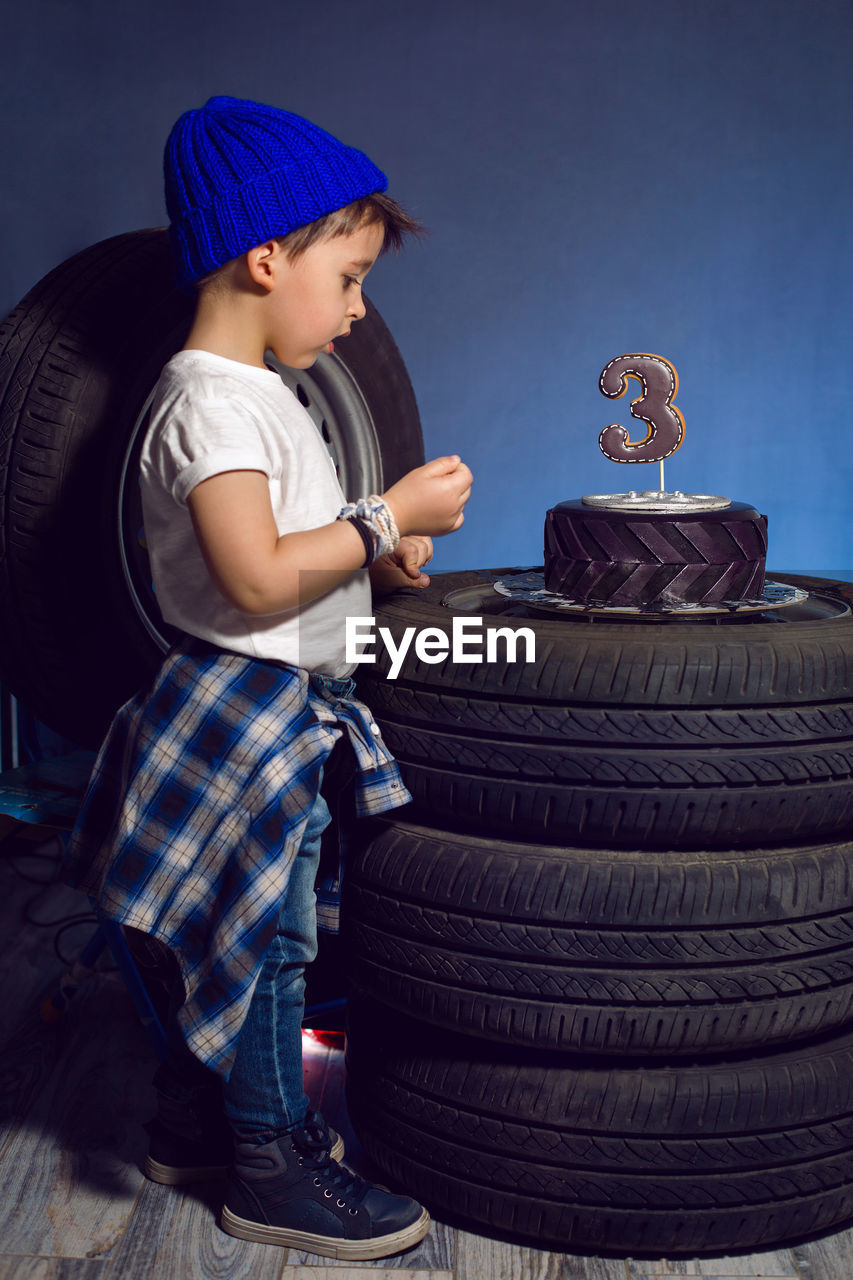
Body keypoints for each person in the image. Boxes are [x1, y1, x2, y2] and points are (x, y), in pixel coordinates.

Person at [62, 95, 472, 1260]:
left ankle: (195, 1121)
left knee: (239, 931)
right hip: (243, 708)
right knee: (265, 943)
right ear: (265, 255)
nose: (355, 311)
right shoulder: (209, 402)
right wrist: (386, 507)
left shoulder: (261, 395)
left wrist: (377, 558)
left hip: (277, 702)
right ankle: (269, 1164)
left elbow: (296, 556)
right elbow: (250, 578)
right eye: (347, 278)